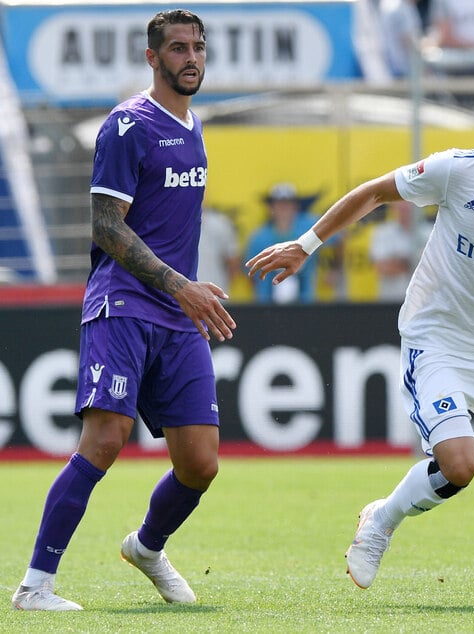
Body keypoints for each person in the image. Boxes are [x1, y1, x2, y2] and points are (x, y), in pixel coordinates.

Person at [246, 65, 474, 590]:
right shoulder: (457, 170)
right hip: (437, 341)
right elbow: (373, 193)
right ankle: (381, 519)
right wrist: (306, 245)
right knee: (460, 464)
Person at [12, 9, 235, 612]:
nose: (192, 57)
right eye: (179, 48)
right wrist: (177, 283)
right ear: (152, 57)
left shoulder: (194, 127)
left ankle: (147, 547)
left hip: (177, 311)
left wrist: (186, 289)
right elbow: (106, 227)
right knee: (105, 439)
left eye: (199, 47)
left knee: (201, 463)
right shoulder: (127, 125)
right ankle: (35, 585)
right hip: (124, 303)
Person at [245, 183, 321, 304]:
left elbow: (336, 236)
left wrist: (334, 268)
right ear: (271, 207)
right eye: (279, 204)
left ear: (295, 207)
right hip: (268, 301)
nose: (284, 209)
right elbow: (251, 273)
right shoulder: (259, 237)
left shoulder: (309, 227)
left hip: (305, 300)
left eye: (288, 204)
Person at [369, 199, 430, 302]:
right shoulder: (382, 233)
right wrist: (415, 262)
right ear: (394, 207)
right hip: (391, 303)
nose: (405, 208)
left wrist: (398, 261)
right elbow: (381, 267)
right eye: (401, 204)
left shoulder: (431, 232)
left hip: (422, 305)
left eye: (409, 204)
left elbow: (436, 269)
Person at [198, 207, 240, 296]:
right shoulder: (221, 223)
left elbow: (233, 262)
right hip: (184, 295)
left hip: (216, 292)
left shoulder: (221, 223)